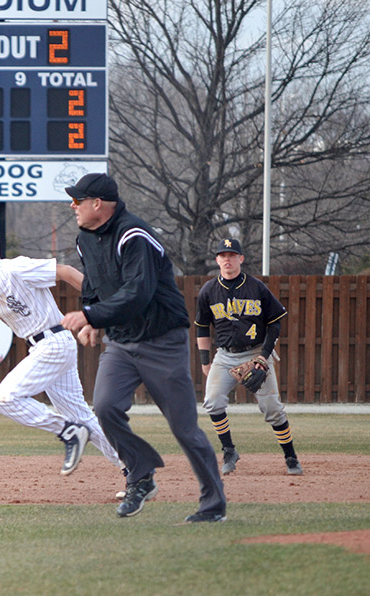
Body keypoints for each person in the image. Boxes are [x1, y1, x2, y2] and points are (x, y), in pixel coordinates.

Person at [59, 173, 228, 523]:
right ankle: (141, 474)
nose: (72, 206)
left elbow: (138, 294)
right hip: (121, 342)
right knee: (104, 408)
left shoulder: (135, 235)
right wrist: (93, 320)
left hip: (162, 341)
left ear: (98, 205)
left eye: (78, 201)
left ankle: (213, 505)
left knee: (184, 429)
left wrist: (89, 315)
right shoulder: (84, 238)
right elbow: (93, 286)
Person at [0, 226, 125, 481]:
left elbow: (65, 272)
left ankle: (68, 431)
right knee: (82, 417)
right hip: (45, 345)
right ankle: (134, 468)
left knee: (4, 398)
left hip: (54, 341)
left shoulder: (14, 268)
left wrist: (98, 308)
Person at [195, 238, 302, 476]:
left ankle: (291, 457)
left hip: (255, 352)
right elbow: (202, 327)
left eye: (232, 255)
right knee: (212, 402)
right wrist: (205, 361)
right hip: (225, 355)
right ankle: (229, 450)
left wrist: (264, 356)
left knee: (272, 408)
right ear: (217, 261)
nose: (227, 260)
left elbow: (275, 323)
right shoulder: (208, 291)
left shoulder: (256, 287)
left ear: (241, 259)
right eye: (223, 256)